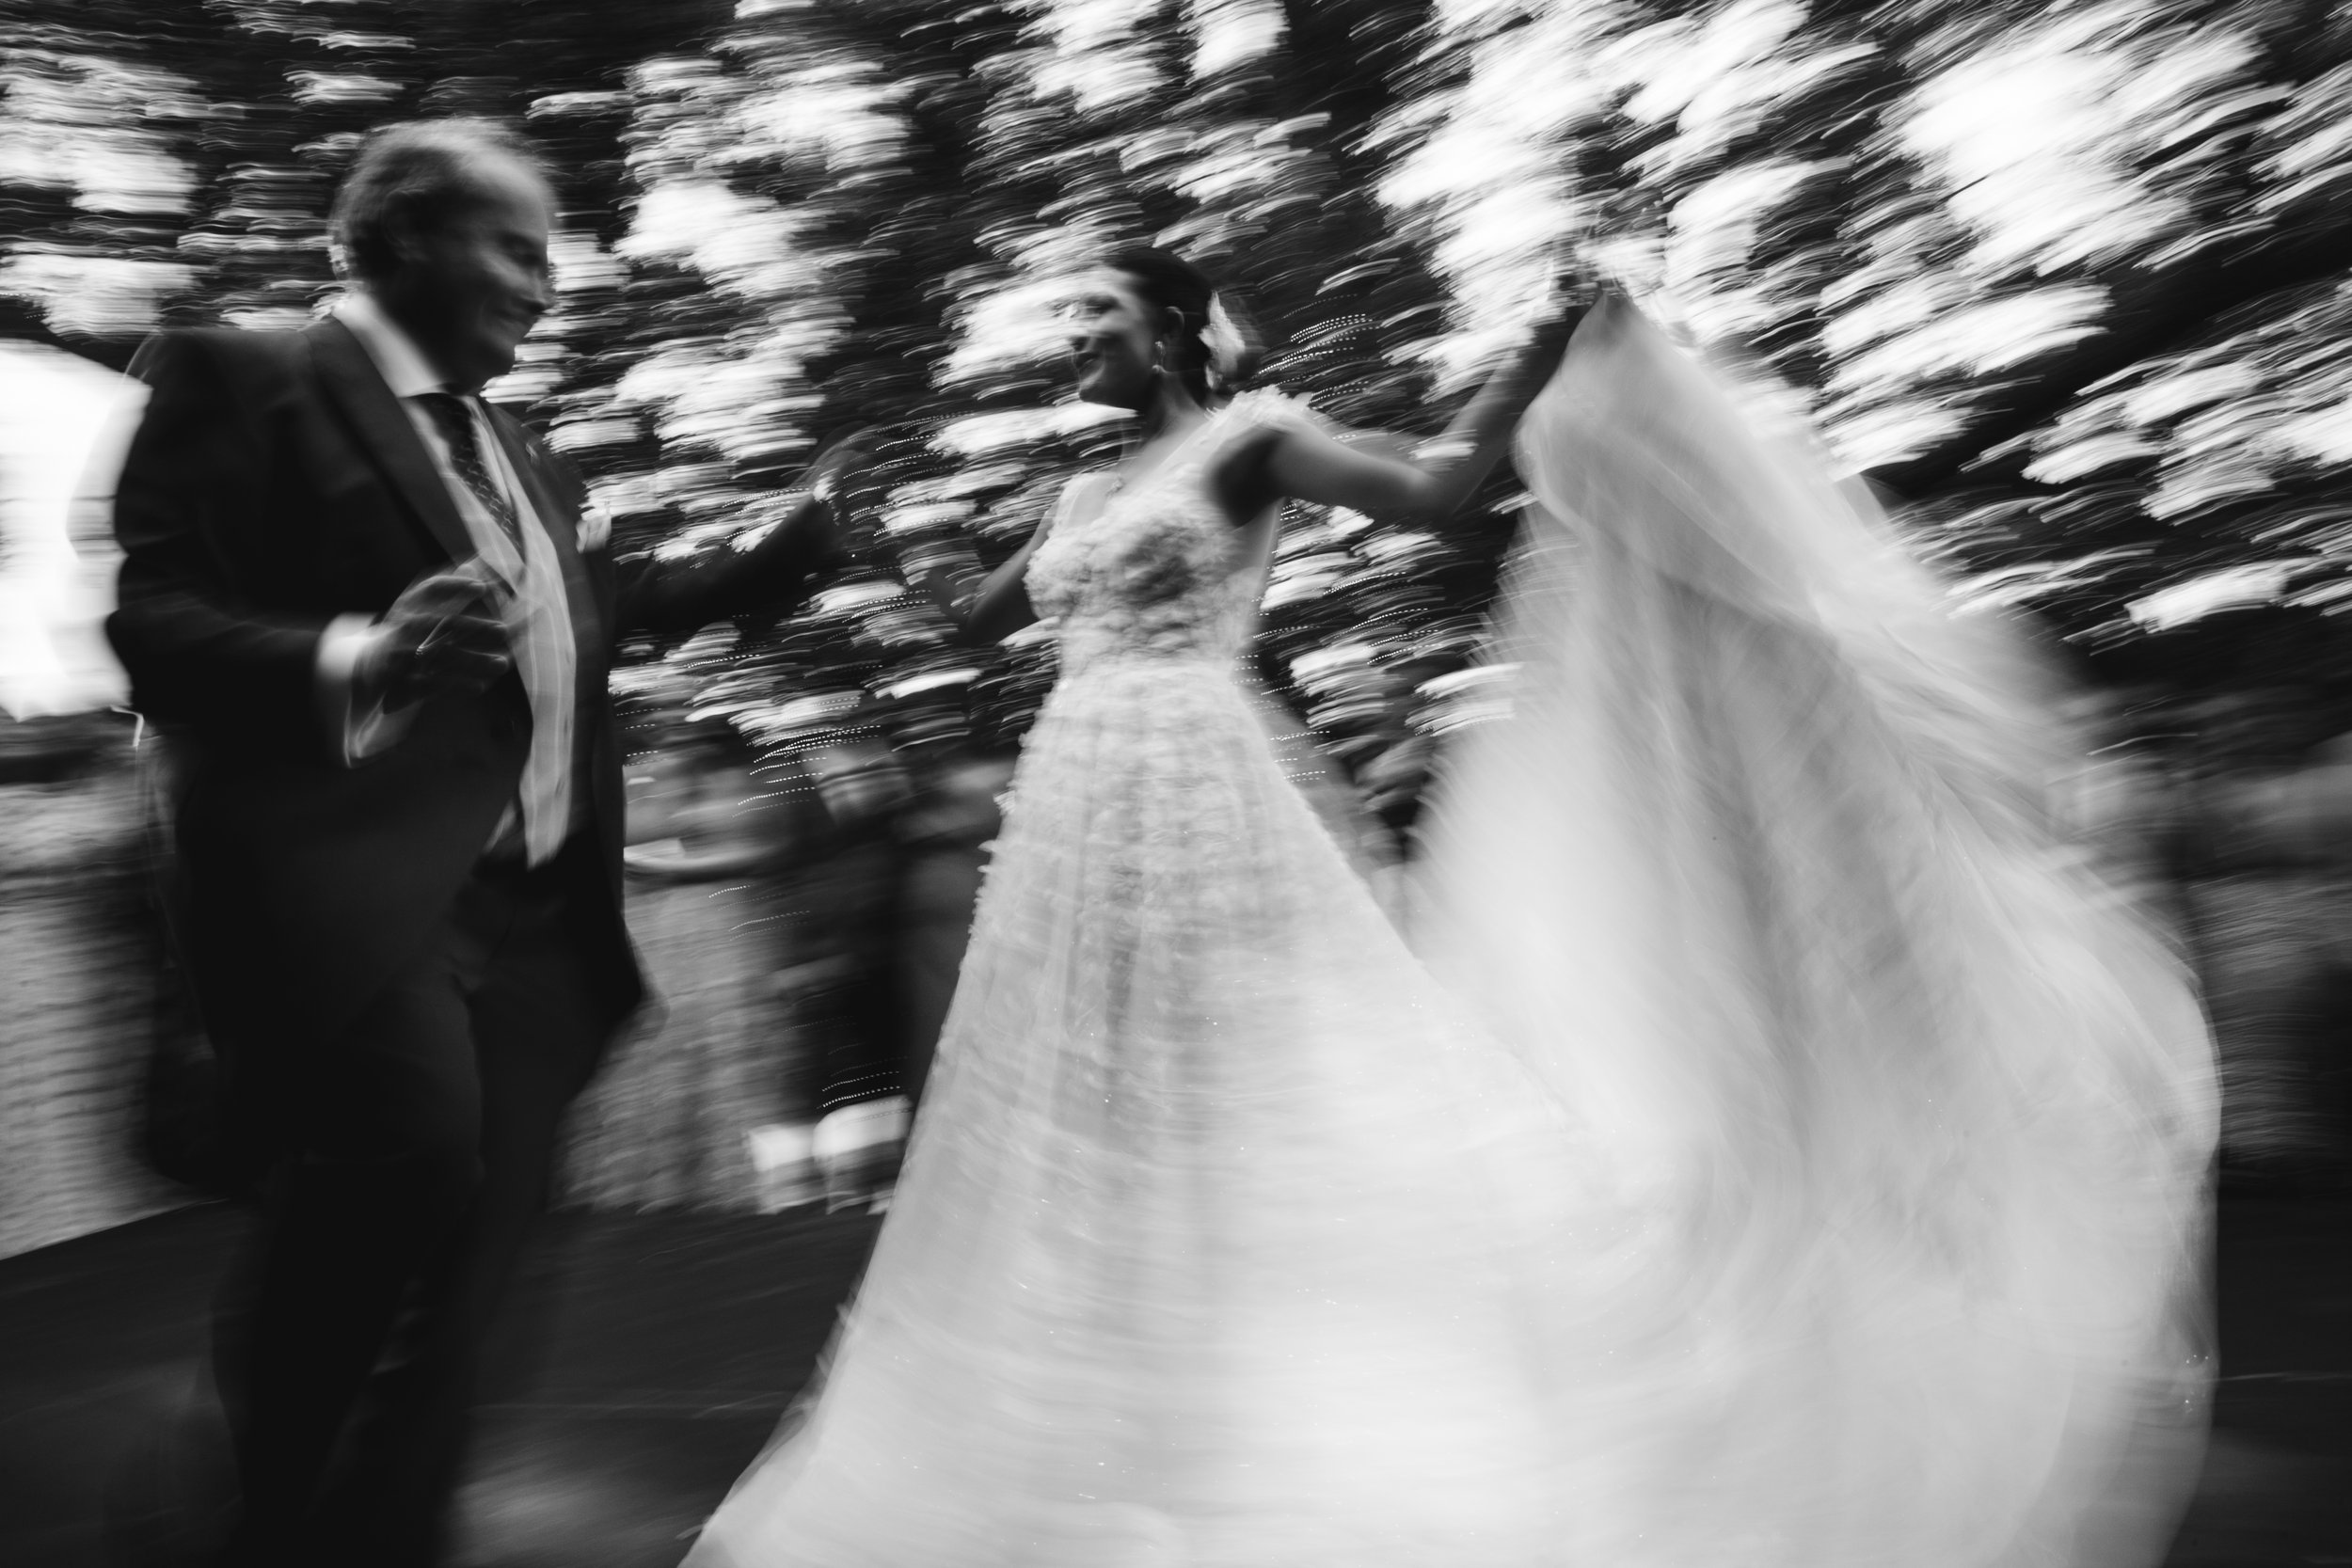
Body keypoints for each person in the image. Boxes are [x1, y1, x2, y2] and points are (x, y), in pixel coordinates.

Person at [683, 248, 2218, 1566]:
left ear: (1166, 327)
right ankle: (1110, 1416)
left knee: (1271, 1104)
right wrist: (840, 547)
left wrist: (1538, 351)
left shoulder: (1253, 440)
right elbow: (973, 616)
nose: (1065, 342)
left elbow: (1433, 489)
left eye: (1090, 316)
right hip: (1074, 826)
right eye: (1061, 324)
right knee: (1078, 1121)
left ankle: (1331, 1408)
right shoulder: (1074, 487)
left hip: (1204, 793)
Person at [105, 118, 863, 1568]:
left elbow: (601, 607)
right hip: (362, 904)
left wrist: (794, 545)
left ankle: (381, 1535)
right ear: (399, 239)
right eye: (516, 248)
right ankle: (255, 1507)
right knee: (402, 1164)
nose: (544, 283)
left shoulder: (522, 449)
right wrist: (351, 658)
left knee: (472, 1276)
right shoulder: (238, 373)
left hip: (541, 928)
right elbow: (158, 627)